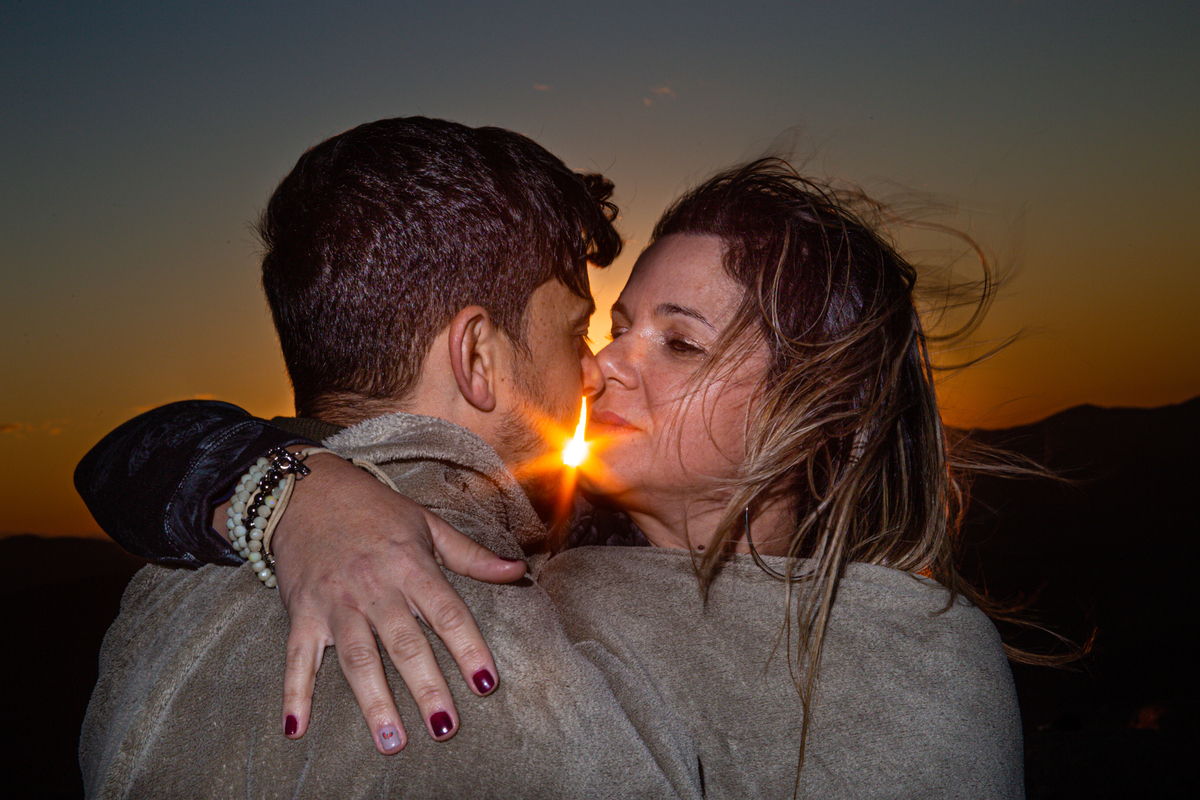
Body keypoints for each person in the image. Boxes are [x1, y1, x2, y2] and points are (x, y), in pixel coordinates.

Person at [80, 156, 1026, 796]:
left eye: (680, 342)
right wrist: (283, 487)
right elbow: (129, 456)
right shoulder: (526, 563)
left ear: (829, 412)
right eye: (613, 329)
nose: (606, 366)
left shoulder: (913, 660)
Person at [78, 116, 702, 799]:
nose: (592, 374)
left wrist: (288, 484)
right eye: (577, 332)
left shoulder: (164, 592)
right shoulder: (501, 665)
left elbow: (116, 463)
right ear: (475, 358)